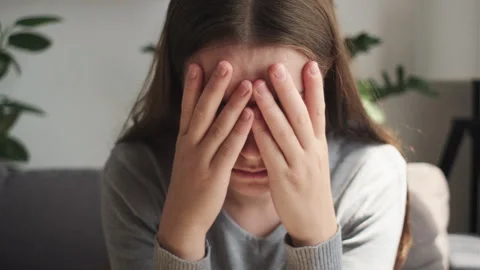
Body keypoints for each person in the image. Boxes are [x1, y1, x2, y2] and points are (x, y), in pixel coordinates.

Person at [101, 0, 412, 269]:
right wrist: (183, 236)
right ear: (180, 86)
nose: (250, 150)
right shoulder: (138, 174)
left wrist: (315, 236)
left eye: (282, 105)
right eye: (222, 106)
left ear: (326, 83)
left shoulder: (368, 177)